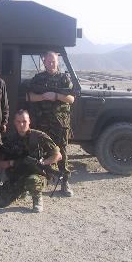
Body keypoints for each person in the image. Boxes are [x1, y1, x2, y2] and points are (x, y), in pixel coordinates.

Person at [0, 110, 61, 212]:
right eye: (18, 121)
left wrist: (43, 163)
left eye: (24, 121)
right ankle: (21, 191)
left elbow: (58, 155)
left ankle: (37, 198)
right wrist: (9, 163)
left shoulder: (39, 136)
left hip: (37, 173)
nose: (21, 124)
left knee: (32, 180)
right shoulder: (11, 139)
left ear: (29, 121)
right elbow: (0, 162)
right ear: (14, 122)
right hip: (19, 173)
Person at [27, 51, 75, 196]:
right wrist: (43, 97)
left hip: (60, 123)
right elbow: (29, 97)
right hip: (41, 122)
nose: (51, 63)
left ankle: (64, 182)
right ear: (44, 62)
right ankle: (37, 181)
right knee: (39, 151)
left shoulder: (64, 78)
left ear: (57, 61)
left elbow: (71, 99)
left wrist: (56, 96)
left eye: (53, 61)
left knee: (62, 152)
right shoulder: (38, 78)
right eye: (48, 61)